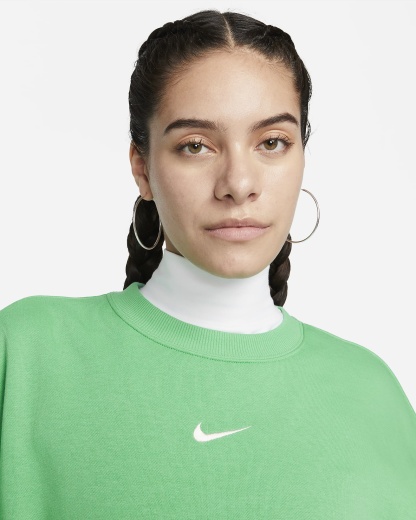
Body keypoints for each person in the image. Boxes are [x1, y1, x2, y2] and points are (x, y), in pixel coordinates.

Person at [1, 9, 415, 519]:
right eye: (195, 146)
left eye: (272, 143)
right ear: (142, 168)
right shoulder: (27, 351)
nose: (238, 184)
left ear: (302, 156)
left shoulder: (371, 390)